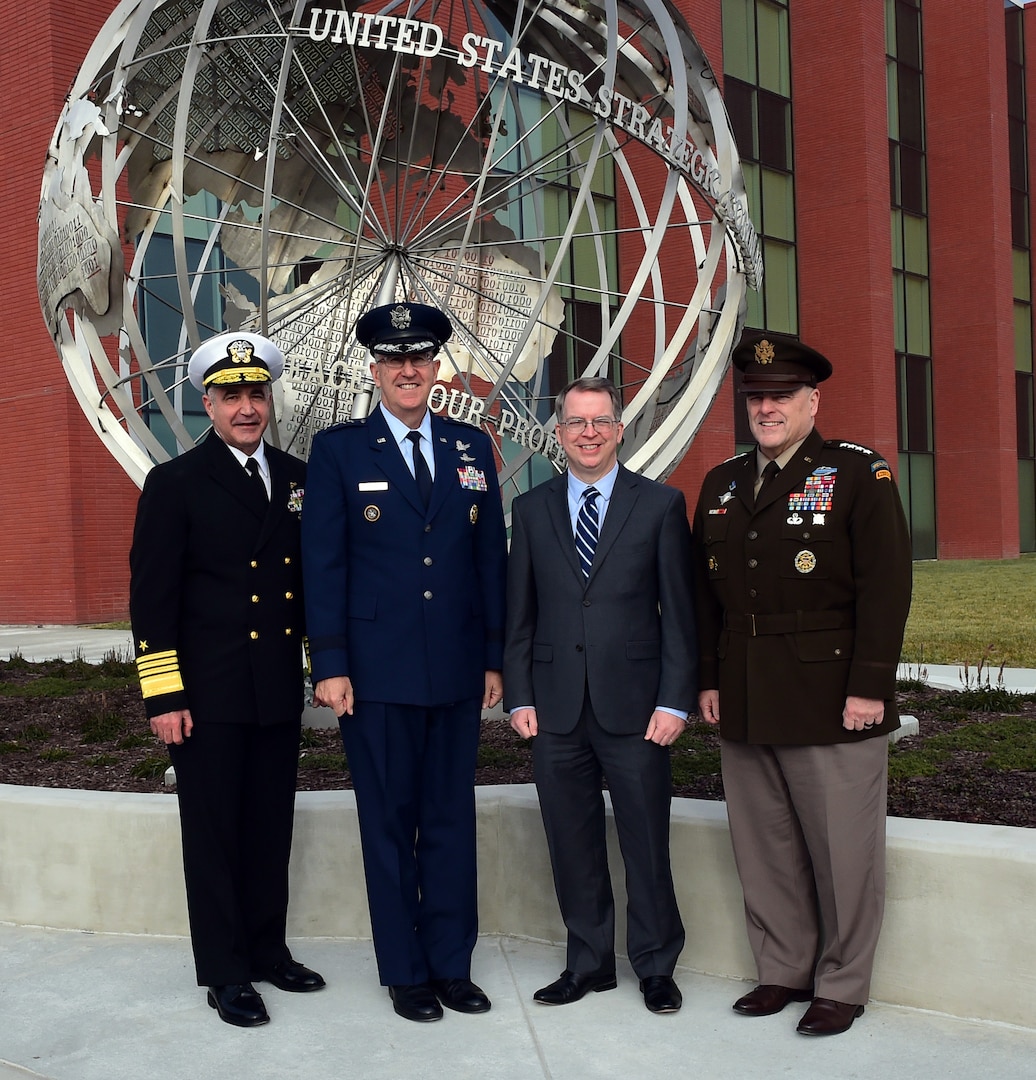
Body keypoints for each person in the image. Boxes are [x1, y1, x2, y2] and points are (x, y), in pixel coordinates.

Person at [691, 334, 912, 1037]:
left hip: (831, 694)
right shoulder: (723, 482)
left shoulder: (855, 473)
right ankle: (783, 969)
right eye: (756, 398)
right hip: (747, 692)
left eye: (781, 395)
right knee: (766, 846)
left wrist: (870, 685)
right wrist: (708, 679)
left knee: (844, 853)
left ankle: (842, 984)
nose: (767, 408)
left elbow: (886, 587)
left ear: (813, 400)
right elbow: (705, 597)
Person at [301, 301, 507, 1023]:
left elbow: (488, 561)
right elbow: (322, 565)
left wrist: (491, 657)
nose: (409, 371)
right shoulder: (340, 451)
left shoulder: (471, 447)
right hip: (375, 674)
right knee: (389, 824)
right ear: (375, 370)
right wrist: (329, 663)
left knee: (450, 818)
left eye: (419, 359)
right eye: (395, 361)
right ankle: (406, 971)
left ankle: (452, 963)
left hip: (454, 669)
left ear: (436, 366)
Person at [129, 331, 324, 1028]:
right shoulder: (175, 483)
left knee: (270, 827)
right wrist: (164, 695)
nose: (247, 408)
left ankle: (268, 950)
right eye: (231, 395)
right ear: (206, 403)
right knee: (213, 834)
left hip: (274, 686)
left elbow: (312, 586)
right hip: (205, 698)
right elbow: (151, 602)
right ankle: (224, 969)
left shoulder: (300, 478)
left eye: (257, 394)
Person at [504, 376, 697, 1015]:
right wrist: (519, 697)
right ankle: (587, 963)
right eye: (575, 423)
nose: (588, 433)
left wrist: (675, 701)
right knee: (571, 843)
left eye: (600, 421)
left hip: (637, 709)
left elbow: (680, 614)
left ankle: (655, 965)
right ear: (557, 435)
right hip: (555, 710)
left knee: (646, 840)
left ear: (619, 428)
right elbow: (520, 616)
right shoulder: (531, 511)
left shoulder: (662, 505)